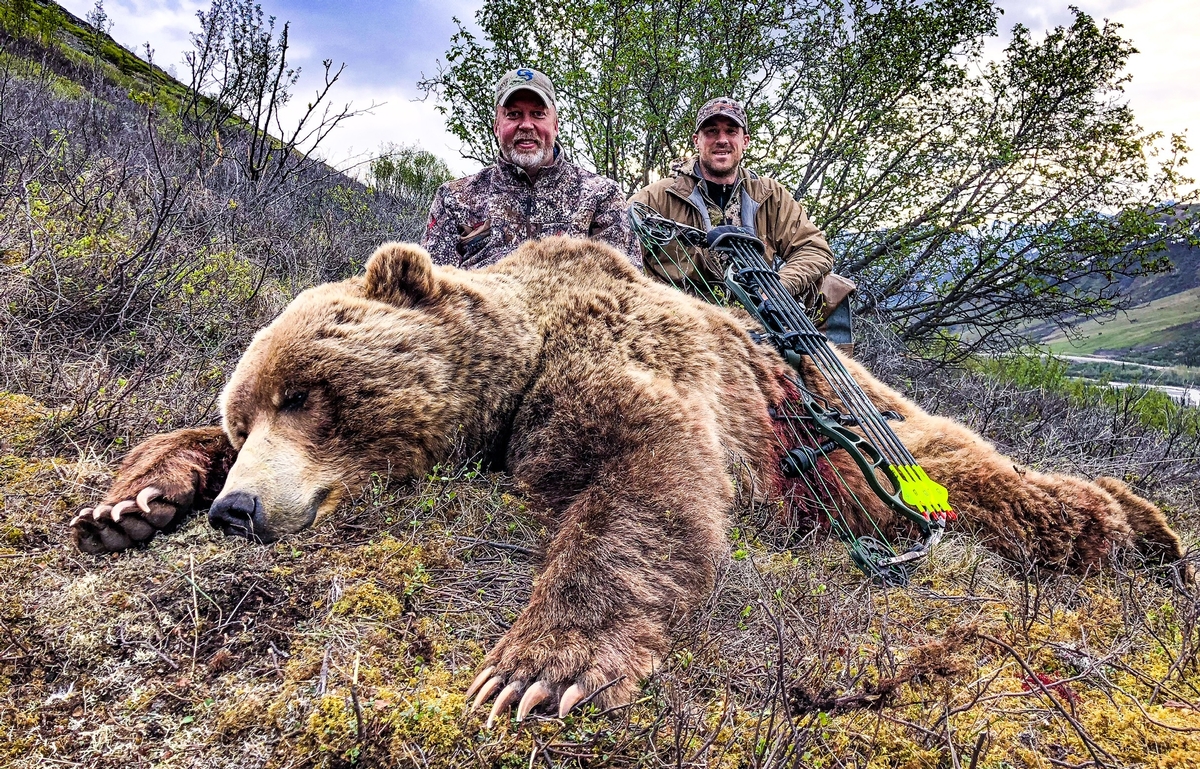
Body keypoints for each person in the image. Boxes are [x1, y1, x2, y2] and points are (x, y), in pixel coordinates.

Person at [630, 98, 850, 327]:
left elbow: (814, 248)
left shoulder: (768, 194)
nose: (722, 140)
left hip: (755, 321)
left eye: (731, 131)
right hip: (684, 324)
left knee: (831, 289)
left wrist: (776, 289)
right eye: (712, 131)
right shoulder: (656, 198)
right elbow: (618, 254)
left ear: (745, 141)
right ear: (697, 141)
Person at [423, 68, 640, 269]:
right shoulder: (454, 198)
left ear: (555, 125)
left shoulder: (601, 195)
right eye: (514, 114)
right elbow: (428, 290)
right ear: (496, 126)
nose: (526, 125)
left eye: (537, 114)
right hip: (482, 309)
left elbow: (626, 289)